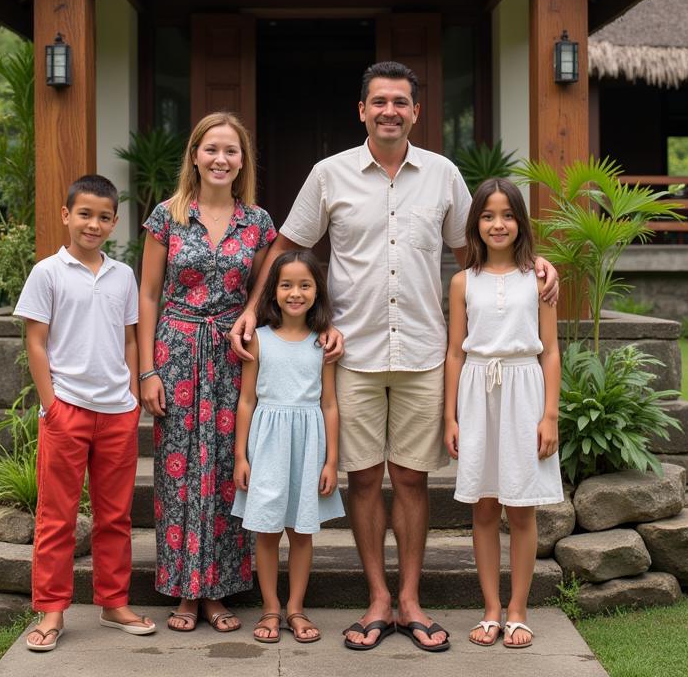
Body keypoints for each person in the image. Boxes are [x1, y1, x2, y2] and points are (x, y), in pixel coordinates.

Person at [231, 61, 559, 652]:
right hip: (349, 352)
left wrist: (536, 265)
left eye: (400, 102)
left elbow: (479, 246)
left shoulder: (443, 175)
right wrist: (256, 308)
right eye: (378, 101)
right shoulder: (328, 174)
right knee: (362, 480)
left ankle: (410, 600)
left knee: (410, 479)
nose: (389, 111)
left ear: (415, 111)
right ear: (362, 110)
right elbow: (287, 243)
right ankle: (377, 599)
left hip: (424, 351)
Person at [137, 113, 278, 633]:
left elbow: (264, 293)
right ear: (194, 155)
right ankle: (183, 593)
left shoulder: (258, 223)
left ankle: (217, 593)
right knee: (177, 473)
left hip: (232, 356)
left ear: (243, 162)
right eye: (212, 150)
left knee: (226, 471)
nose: (221, 160)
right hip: (175, 354)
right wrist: (147, 369)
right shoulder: (166, 217)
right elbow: (148, 295)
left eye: (232, 151)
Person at [15, 174, 153, 653]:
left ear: (114, 222)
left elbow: (132, 338)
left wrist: (133, 396)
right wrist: (51, 405)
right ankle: (52, 611)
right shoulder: (47, 273)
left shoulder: (123, 275)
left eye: (103, 217)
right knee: (58, 517)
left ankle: (114, 603)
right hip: (67, 409)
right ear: (66, 215)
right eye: (85, 214)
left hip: (118, 411)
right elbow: (35, 340)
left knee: (114, 516)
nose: (93, 224)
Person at [443, 177, 563, 650]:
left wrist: (550, 415)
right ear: (476, 223)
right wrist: (450, 416)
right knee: (484, 506)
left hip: (524, 391)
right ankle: (491, 608)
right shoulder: (462, 281)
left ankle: (518, 609)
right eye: (488, 216)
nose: (498, 224)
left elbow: (550, 351)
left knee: (521, 506)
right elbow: (455, 351)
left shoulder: (537, 278)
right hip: (476, 391)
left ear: (520, 222)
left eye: (507, 215)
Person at [232, 249, 345, 645]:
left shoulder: (323, 343)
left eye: (304, 285)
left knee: (301, 531)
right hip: (267, 443)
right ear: (273, 292)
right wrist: (240, 456)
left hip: (308, 442)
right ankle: (270, 607)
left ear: (317, 291)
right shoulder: (259, 339)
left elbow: (330, 404)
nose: (295, 293)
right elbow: (246, 401)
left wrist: (331, 460)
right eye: (286, 285)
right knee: (265, 530)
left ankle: (296, 608)